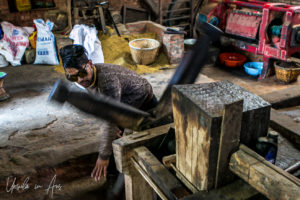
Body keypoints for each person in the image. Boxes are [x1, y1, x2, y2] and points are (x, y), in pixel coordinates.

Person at [59, 44, 157, 182]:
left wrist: (103, 157)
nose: (80, 81)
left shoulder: (107, 80)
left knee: (153, 144)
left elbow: (110, 116)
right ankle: (113, 178)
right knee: (112, 135)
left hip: (144, 103)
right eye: (73, 78)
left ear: (90, 64)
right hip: (121, 102)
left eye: (81, 74)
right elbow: (103, 106)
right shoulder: (88, 78)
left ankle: (118, 180)